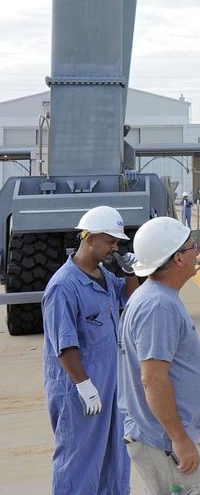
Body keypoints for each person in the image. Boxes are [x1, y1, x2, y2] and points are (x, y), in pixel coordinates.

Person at [42, 206, 139, 495]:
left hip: (109, 384)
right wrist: (84, 385)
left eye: (117, 242)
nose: (115, 247)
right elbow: (64, 344)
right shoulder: (63, 287)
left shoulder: (103, 276)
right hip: (80, 390)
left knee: (114, 457)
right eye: (111, 241)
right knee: (79, 460)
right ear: (90, 238)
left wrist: (129, 272)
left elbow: (128, 298)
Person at [118, 217, 200, 494]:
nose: (197, 252)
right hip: (164, 444)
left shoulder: (156, 296)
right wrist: (179, 440)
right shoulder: (158, 306)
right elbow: (153, 379)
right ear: (179, 259)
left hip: (161, 439)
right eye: (192, 246)